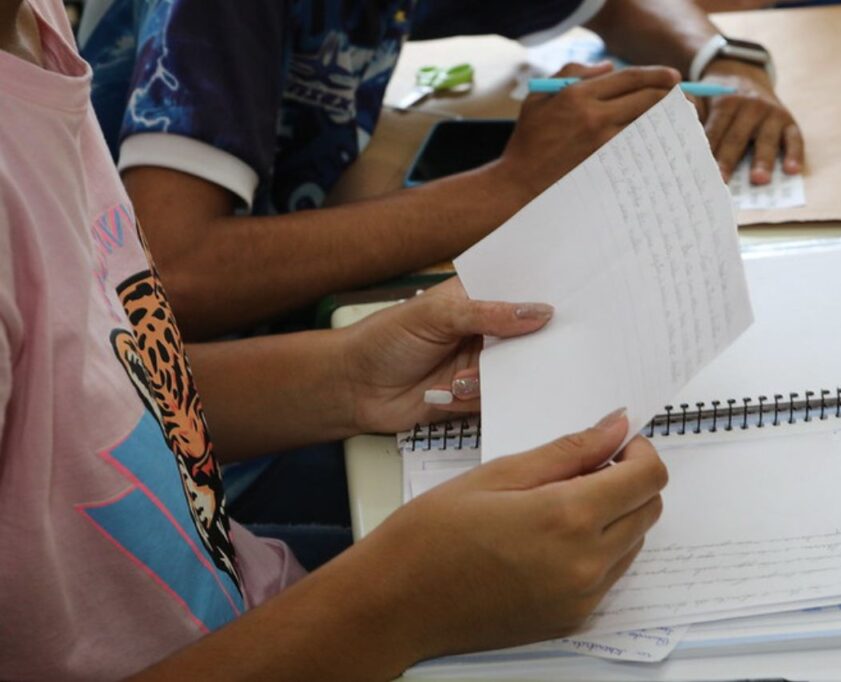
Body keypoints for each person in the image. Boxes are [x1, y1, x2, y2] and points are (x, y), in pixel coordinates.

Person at [0, 0, 669, 677]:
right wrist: (398, 601)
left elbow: (87, 395)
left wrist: (350, 374)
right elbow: (184, 267)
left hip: (234, 586)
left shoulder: (33, 25)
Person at [78, 0, 804, 339]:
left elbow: (611, 3)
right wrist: (510, 186)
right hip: (163, 393)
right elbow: (173, 274)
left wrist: (724, 60)